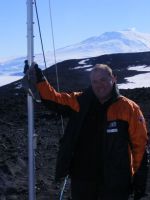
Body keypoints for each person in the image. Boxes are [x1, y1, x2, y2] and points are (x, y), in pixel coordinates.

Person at [24, 63, 148, 200]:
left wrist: (139, 182)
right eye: (95, 81)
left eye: (103, 80)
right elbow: (54, 99)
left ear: (113, 79)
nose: (99, 85)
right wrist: (40, 79)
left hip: (116, 183)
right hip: (82, 180)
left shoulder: (129, 108)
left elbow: (140, 147)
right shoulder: (80, 101)